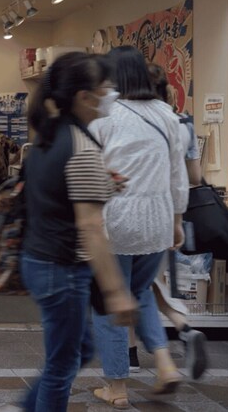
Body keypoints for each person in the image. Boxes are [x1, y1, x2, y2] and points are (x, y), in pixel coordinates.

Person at [21, 52, 135, 411]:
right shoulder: (81, 147)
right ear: (85, 96)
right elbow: (90, 226)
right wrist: (116, 292)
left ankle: (23, 406)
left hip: (39, 258)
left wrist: (102, 185)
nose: (111, 93)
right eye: (106, 87)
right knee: (63, 364)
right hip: (62, 268)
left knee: (79, 349)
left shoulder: (48, 135)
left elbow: (53, 193)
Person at [89, 46, 190, 407]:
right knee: (142, 291)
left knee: (108, 298)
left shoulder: (104, 116)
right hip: (158, 218)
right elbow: (178, 176)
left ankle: (116, 387)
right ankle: (164, 364)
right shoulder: (167, 115)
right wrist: (177, 221)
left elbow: (91, 168)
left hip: (115, 217)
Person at [122, 63, 207, 380]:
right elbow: (193, 176)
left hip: (131, 215)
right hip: (168, 215)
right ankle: (184, 329)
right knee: (149, 285)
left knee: (133, 287)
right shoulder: (182, 122)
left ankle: (132, 356)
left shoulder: (125, 119)